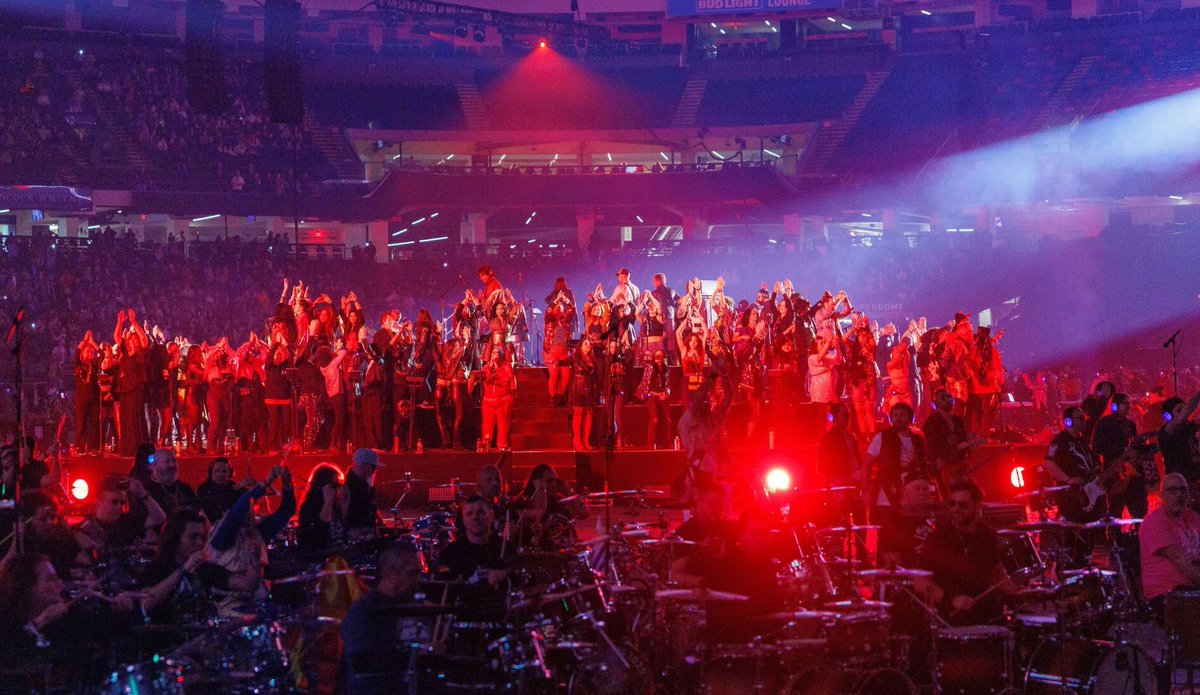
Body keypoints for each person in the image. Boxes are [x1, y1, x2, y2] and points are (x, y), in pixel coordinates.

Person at [341, 543, 432, 695]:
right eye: (413, 573)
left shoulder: (415, 607)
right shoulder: (363, 612)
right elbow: (363, 663)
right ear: (391, 574)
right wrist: (416, 656)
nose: (418, 579)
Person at [139, 510, 256, 625]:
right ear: (174, 538)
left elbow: (247, 583)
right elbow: (145, 604)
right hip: (168, 639)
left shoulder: (204, 569)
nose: (200, 542)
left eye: (202, 537)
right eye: (193, 537)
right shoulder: (156, 569)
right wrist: (184, 569)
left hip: (201, 639)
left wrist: (255, 558)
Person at [918, 480, 1009, 625]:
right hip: (948, 616)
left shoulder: (988, 536)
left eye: (963, 505)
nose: (955, 509)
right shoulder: (938, 538)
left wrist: (1014, 590)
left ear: (978, 506)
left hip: (984, 614)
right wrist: (951, 600)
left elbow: (995, 573)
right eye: (952, 504)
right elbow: (920, 582)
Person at [208, 464, 296, 601]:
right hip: (229, 603)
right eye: (249, 506)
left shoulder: (256, 531)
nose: (250, 511)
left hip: (257, 599)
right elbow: (238, 511)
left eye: (251, 507)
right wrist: (266, 482)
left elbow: (286, 512)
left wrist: (287, 485)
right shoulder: (222, 533)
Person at [1140, 473, 1200, 613]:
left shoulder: (1193, 518)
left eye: (1182, 490)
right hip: (1167, 596)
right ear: (1161, 496)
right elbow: (1181, 561)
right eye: (1172, 490)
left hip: (1191, 591)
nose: (1178, 494)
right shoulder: (1155, 522)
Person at [862, 402, 928, 528]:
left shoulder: (918, 440)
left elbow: (924, 465)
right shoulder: (882, 437)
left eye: (902, 415)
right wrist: (865, 489)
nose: (898, 418)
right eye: (895, 415)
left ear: (910, 418)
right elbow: (866, 464)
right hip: (887, 493)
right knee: (887, 532)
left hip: (911, 495)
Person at [78, 475, 167, 562]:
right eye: (115, 502)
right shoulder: (84, 529)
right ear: (98, 501)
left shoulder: (127, 522)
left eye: (122, 502)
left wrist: (143, 494)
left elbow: (159, 518)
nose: (119, 506)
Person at [1092, 392, 1148, 519]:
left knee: (1138, 508)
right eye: (1125, 403)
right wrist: (1121, 450)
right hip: (1115, 473)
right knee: (1116, 510)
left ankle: (1136, 535)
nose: (1129, 406)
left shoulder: (1131, 424)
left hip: (1131, 472)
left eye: (1129, 403)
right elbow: (1097, 447)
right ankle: (1115, 537)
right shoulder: (1104, 423)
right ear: (1115, 405)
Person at [436, 495, 507, 585]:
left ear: (492, 516)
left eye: (480, 512)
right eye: (469, 514)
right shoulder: (450, 553)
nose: (475, 517)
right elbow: (445, 588)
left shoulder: (505, 547)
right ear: (463, 520)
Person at [923, 388, 984, 489]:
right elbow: (930, 444)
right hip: (943, 465)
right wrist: (937, 460)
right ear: (936, 402)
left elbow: (963, 439)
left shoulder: (957, 420)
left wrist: (967, 455)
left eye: (950, 398)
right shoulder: (932, 422)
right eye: (944, 398)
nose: (948, 400)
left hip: (959, 464)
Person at [113, 309, 150, 455]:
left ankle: (139, 448)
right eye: (131, 339)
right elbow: (116, 336)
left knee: (136, 416)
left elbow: (144, 339)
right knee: (125, 418)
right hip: (125, 389)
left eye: (135, 339)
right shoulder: (124, 353)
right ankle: (127, 448)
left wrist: (134, 322)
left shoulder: (140, 355)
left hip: (136, 388)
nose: (133, 341)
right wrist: (119, 323)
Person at [299, 464, 342, 555]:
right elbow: (320, 529)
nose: (337, 489)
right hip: (319, 557)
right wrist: (327, 503)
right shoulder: (309, 506)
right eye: (334, 485)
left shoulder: (337, 506)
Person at [1160, 391, 1200, 490]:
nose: (1184, 413)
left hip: (1195, 482)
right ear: (1167, 416)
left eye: (1184, 409)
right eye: (1179, 410)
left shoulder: (1188, 427)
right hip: (1179, 486)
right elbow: (1180, 419)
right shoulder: (1167, 430)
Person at [340, 448, 382, 541]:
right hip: (356, 540)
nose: (375, 470)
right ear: (363, 466)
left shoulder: (366, 485)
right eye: (373, 467)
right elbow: (343, 517)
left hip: (366, 537)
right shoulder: (348, 487)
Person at [143, 448, 197, 518]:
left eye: (174, 461)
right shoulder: (147, 491)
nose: (172, 465)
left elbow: (200, 514)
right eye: (167, 461)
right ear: (155, 464)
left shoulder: (185, 489)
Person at [196, 457, 246, 524]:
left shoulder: (234, 487)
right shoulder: (204, 489)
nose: (220, 474)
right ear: (211, 472)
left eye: (224, 471)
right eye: (217, 471)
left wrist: (245, 488)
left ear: (230, 473)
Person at [638, 349, 672, 449]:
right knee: (655, 419)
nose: (658, 357)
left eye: (660, 355)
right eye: (657, 355)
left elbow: (669, 385)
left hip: (662, 395)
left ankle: (667, 442)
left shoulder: (667, 369)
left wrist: (666, 394)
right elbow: (642, 361)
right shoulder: (650, 367)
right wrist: (646, 354)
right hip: (651, 395)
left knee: (668, 419)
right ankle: (650, 444)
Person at [568, 336, 597, 450]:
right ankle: (577, 440)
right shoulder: (576, 357)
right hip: (578, 386)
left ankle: (586, 440)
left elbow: (594, 375)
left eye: (589, 344)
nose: (588, 345)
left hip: (588, 387)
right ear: (580, 346)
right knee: (578, 414)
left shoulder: (592, 358)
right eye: (586, 343)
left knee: (589, 414)